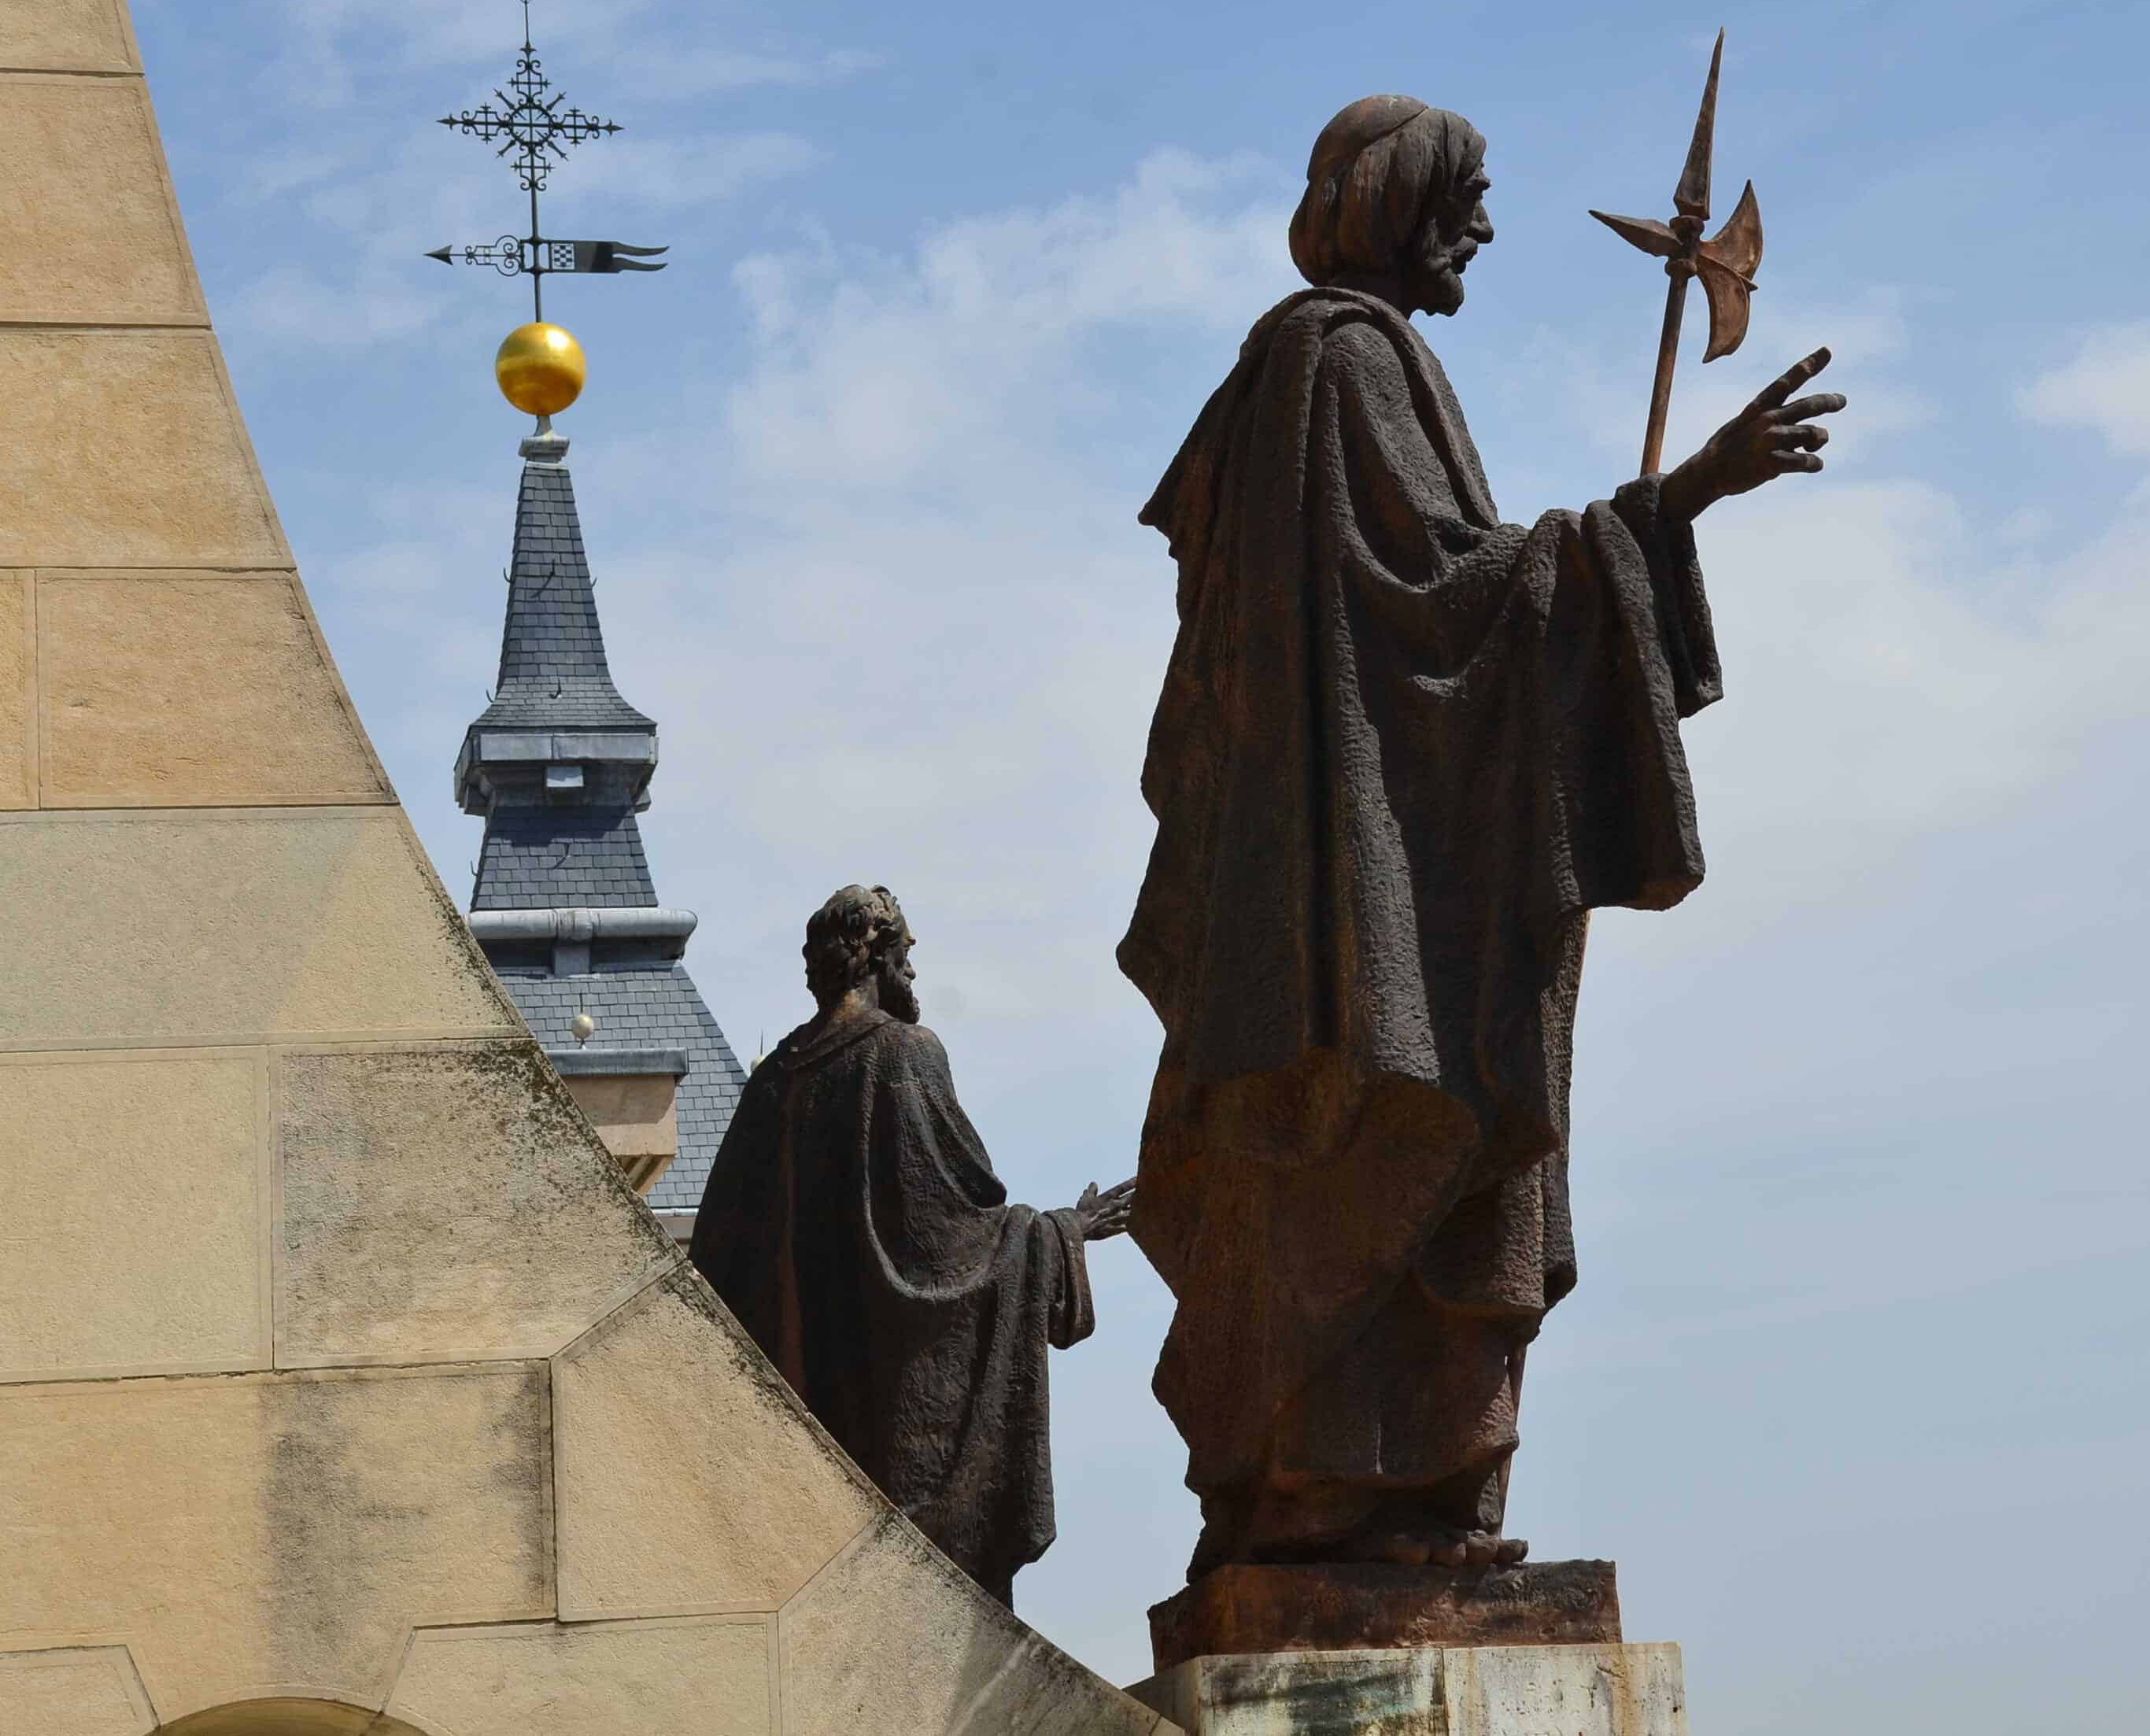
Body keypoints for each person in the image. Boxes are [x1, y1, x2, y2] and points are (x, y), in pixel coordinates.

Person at [1118, 94, 1844, 1577]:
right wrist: (1677, 498)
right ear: (1403, 201)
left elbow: (1420, 602)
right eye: (1470, 198)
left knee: (1383, 1151)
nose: (1487, 230)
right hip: (1375, 880)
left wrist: (1633, 531)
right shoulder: (1342, 355)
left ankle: (1360, 1497)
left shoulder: (1307, 361)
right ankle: (1341, 1496)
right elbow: (1432, 607)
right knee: (1410, 1128)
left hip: (1356, 856)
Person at [691, 884, 1133, 1605]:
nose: (914, 974)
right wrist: (1060, 1232)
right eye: (906, 954)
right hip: (886, 1415)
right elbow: (952, 1242)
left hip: (799, 1439)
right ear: (874, 957)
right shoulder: (903, 1054)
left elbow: (718, 1261)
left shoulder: (770, 1082)